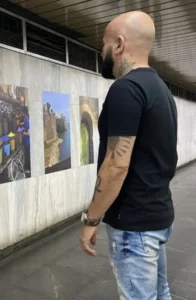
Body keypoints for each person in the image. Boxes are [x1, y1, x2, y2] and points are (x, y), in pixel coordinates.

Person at [79, 11, 178, 300]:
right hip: (158, 216)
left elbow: (115, 166)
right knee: (160, 294)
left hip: (134, 224)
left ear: (119, 44)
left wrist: (91, 220)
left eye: (104, 44)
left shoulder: (126, 89)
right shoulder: (161, 90)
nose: (102, 51)